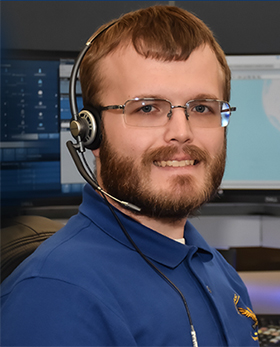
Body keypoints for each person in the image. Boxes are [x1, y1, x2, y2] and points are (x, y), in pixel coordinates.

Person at [1, 5, 259, 346]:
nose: (181, 132)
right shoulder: (56, 297)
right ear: (90, 134)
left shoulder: (214, 269)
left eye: (201, 108)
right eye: (148, 109)